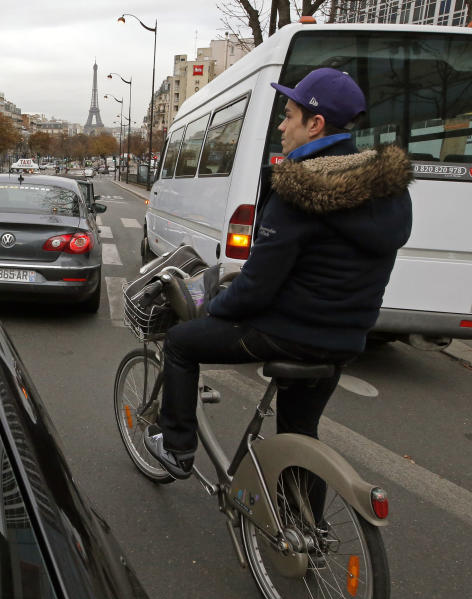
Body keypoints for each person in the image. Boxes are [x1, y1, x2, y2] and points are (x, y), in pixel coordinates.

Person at [144, 68, 413, 480]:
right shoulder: (390, 194)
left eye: (289, 116)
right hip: (346, 337)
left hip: (287, 332)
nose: (282, 126)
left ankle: (177, 447)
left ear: (315, 124)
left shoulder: (298, 191)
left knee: (181, 342)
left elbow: (257, 287)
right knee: (300, 431)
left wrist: (216, 305)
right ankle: (304, 533)